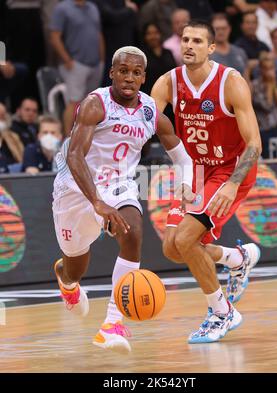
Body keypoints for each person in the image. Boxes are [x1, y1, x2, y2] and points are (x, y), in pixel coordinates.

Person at [52, 46, 194, 352]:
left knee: (133, 232)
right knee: (75, 267)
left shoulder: (151, 112)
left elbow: (183, 157)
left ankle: (112, 324)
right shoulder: (95, 104)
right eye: (123, 71)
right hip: (76, 189)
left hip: (118, 184)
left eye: (136, 72)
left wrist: (186, 185)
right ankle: (67, 281)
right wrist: (96, 202)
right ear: (112, 73)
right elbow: (75, 155)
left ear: (144, 77)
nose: (129, 77)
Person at [151, 20, 262, 343]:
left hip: (231, 170)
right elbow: (143, 126)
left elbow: (254, 143)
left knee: (187, 241)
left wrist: (231, 183)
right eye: (185, 39)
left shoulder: (231, 82)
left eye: (198, 41)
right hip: (195, 170)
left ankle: (222, 312)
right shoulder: (167, 83)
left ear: (211, 47)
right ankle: (237, 259)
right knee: (173, 248)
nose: (189, 45)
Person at [50, 0, 106, 135]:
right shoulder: (62, 8)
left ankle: (89, 136)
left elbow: (98, 34)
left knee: (93, 102)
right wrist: (67, 60)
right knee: (74, 101)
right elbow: (54, 37)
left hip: (96, 63)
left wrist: (102, 59)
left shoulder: (93, 7)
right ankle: (67, 139)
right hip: (75, 63)